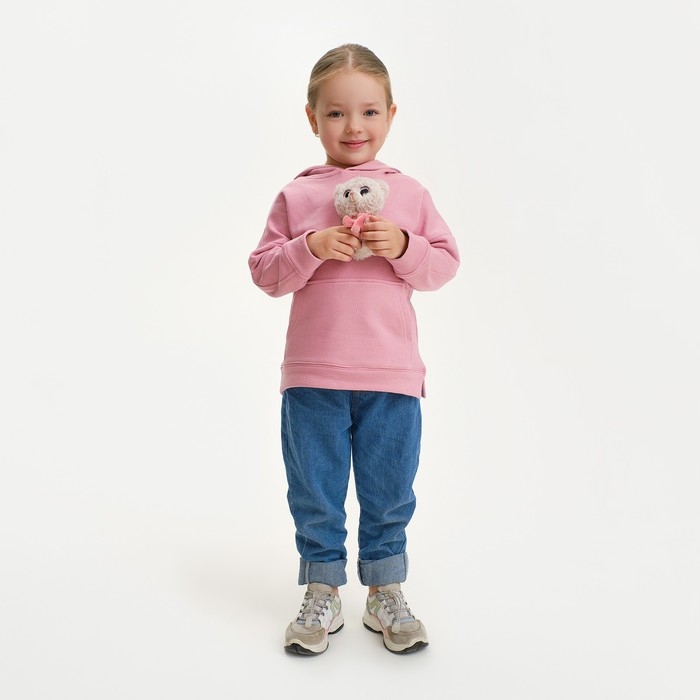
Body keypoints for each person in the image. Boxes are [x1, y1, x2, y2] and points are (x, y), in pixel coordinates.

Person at [248, 43, 460, 655]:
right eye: (336, 113)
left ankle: (385, 590)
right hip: (312, 375)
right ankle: (322, 590)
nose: (353, 126)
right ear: (312, 118)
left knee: (389, 489)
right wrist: (310, 248)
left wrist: (405, 247)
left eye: (368, 112)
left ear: (390, 115)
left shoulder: (409, 194)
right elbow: (264, 273)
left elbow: (444, 265)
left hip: (391, 374)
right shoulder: (296, 197)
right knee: (314, 491)